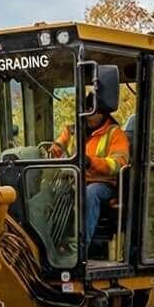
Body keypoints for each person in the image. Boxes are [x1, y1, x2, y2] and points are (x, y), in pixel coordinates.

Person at [50, 95, 130, 257]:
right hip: (77, 180)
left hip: (105, 184)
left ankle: (79, 249)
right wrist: (54, 149)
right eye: (86, 110)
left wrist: (91, 162)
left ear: (103, 113)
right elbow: (58, 145)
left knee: (91, 193)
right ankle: (52, 243)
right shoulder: (73, 130)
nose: (88, 115)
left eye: (92, 111)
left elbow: (118, 164)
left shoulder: (115, 134)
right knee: (53, 192)